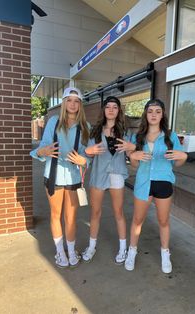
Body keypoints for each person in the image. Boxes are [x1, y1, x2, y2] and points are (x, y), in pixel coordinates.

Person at [124, 99, 187, 273]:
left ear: (162, 114)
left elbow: (178, 163)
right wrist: (134, 156)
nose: (153, 114)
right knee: (137, 220)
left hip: (163, 182)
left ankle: (165, 254)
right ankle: (132, 251)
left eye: (157, 111)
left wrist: (183, 156)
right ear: (145, 113)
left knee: (163, 220)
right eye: (150, 111)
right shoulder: (137, 136)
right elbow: (135, 165)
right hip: (143, 182)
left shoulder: (170, 136)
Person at [30, 87, 90, 268]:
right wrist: (43, 151)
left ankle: (71, 251)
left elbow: (87, 156)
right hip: (53, 176)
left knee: (71, 218)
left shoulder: (85, 127)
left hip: (73, 179)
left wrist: (83, 160)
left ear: (80, 105)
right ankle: (60, 252)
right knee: (55, 215)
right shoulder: (54, 122)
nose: (72, 104)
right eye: (69, 100)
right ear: (64, 103)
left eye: (76, 101)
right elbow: (40, 149)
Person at [81, 96, 135, 265]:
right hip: (98, 175)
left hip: (117, 174)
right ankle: (91, 247)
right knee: (95, 212)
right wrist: (88, 151)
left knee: (118, 213)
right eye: (108, 107)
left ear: (119, 111)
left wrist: (131, 147)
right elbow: (87, 154)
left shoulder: (125, 132)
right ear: (103, 110)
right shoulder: (95, 131)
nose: (111, 110)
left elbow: (134, 153)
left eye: (115, 107)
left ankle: (122, 248)